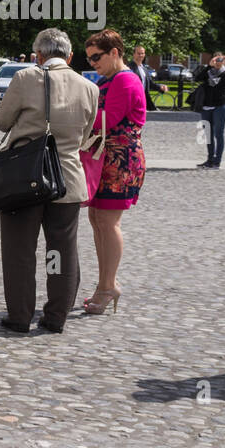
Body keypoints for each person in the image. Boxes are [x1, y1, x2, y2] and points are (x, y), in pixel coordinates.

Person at [0, 28, 99, 332]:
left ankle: (20, 315)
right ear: (69, 56)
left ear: (38, 55)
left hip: (25, 176)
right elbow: (85, 135)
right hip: (67, 177)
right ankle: (55, 317)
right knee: (61, 251)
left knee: (20, 252)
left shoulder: (26, 79)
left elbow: (1, 122)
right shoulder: (88, 87)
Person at [82, 30, 146, 314]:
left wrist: (72, 115)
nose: (93, 63)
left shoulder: (125, 80)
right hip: (106, 157)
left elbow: (104, 120)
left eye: (97, 57)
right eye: (89, 58)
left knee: (108, 222)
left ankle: (108, 286)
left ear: (115, 53)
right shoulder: (109, 79)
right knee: (97, 218)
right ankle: (104, 283)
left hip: (120, 159)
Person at [193, 52, 225, 169]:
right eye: (216, 59)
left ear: (223, 60)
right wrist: (208, 66)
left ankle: (217, 161)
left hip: (220, 107)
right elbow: (197, 78)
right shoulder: (208, 72)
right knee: (208, 134)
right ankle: (210, 160)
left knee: (218, 134)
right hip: (206, 107)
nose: (218, 62)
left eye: (220, 60)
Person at [128, 46, 166, 111]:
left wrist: (160, 87)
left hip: (144, 100)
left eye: (142, 53)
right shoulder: (129, 68)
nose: (141, 55)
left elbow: (150, 84)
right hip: (133, 101)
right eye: (138, 53)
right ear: (134, 54)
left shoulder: (144, 69)